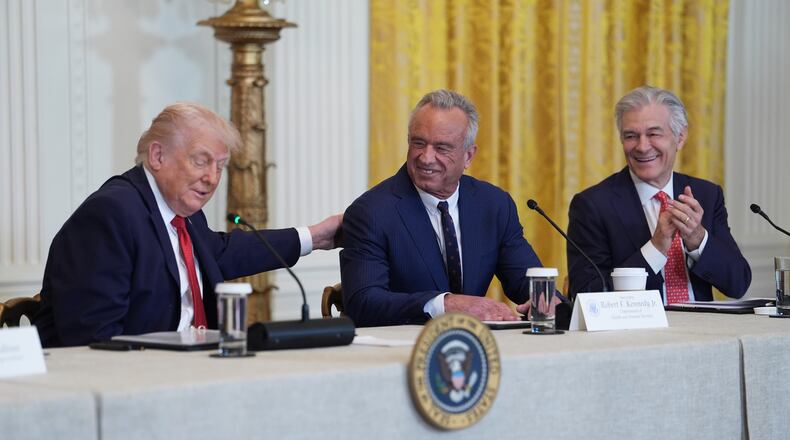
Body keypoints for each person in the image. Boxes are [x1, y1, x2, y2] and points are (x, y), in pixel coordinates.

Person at [34, 102, 341, 347]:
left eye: (219, 166)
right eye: (200, 161)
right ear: (157, 156)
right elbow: (94, 339)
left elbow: (221, 252)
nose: (212, 178)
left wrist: (313, 237)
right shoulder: (111, 214)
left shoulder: (184, 214)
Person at [340, 89, 543, 327]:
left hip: (477, 346)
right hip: (406, 349)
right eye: (418, 143)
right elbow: (364, 302)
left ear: (468, 156)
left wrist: (546, 299)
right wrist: (444, 304)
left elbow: (526, 280)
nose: (426, 158)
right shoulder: (372, 212)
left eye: (442, 148)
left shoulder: (494, 205)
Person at [567, 85, 751, 302]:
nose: (642, 146)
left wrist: (698, 239)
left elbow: (738, 283)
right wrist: (656, 247)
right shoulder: (593, 205)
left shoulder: (707, 195)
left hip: (705, 329)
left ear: (680, 138)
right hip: (637, 333)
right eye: (631, 136)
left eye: (653, 134)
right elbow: (587, 294)